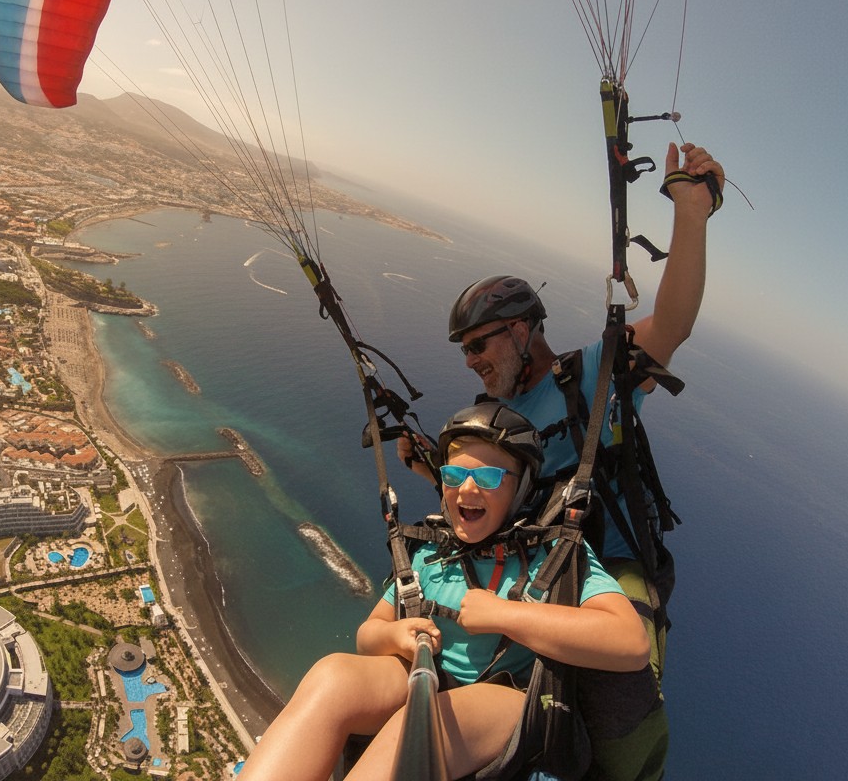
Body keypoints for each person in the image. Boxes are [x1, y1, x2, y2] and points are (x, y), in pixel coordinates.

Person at [398, 142, 723, 780]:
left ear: (522, 331)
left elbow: (672, 325)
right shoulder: (493, 419)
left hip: (609, 561)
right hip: (534, 564)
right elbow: (503, 492)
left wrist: (691, 209)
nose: (471, 361)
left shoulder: (587, 378)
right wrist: (432, 474)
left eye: (479, 344)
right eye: (465, 351)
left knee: (619, 699)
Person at [237, 403, 649, 781]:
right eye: (454, 476)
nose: (467, 489)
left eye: (488, 477)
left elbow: (630, 642)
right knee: (332, 677)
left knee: (421, 722)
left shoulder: (554, 553)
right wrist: (394, 635)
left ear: (522, 487)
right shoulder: (430, 552)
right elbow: (368, 635)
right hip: (425, 675)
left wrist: (504, 614)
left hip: (508, 700)